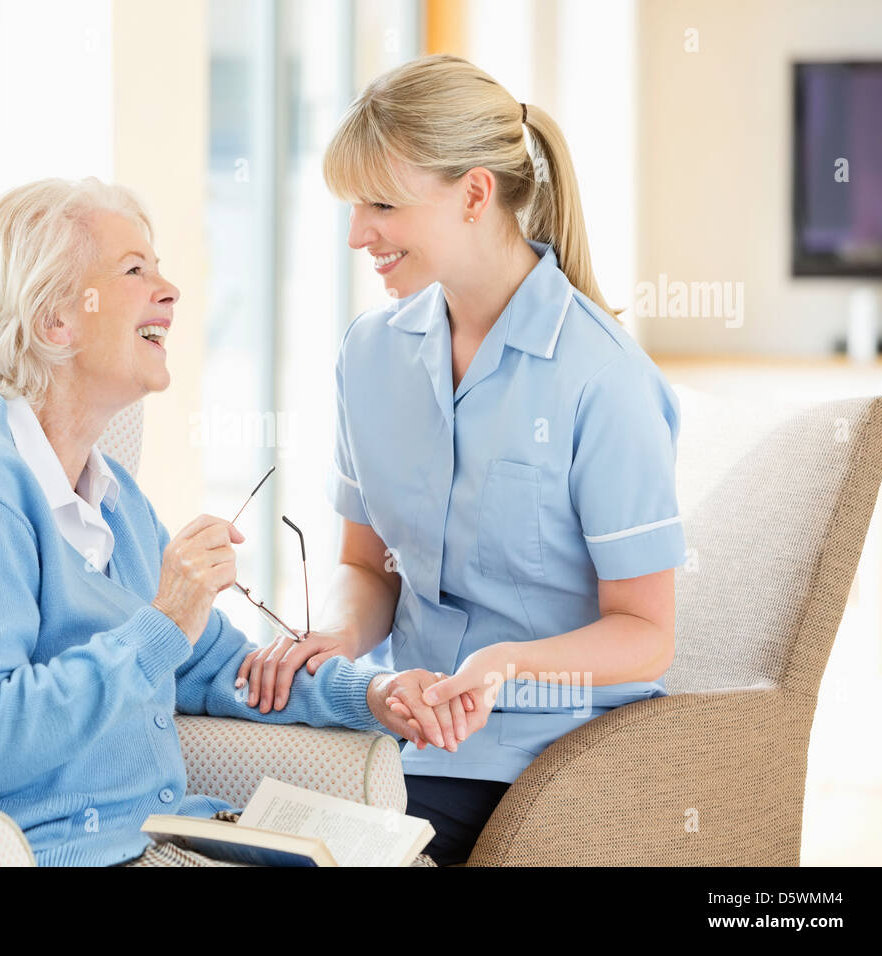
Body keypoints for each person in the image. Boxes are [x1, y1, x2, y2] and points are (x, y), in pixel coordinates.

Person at [0, 176, 452, 867]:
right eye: (135, 270)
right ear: (55, 321)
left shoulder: (113, 498)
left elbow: (218, 667)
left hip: (153, 838)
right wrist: (161, 624)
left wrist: (371, 693)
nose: (169, 290)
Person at [237, 54, 685, 866]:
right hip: (409, 737)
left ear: (476, 194)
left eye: (381, 204)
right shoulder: (371, 354)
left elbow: (647, 634)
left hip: (556, 757)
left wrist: (504, 668)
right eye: (350, 205)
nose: (356, 234)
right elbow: (367, 566)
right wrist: (334, 636)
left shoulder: (602, 379)